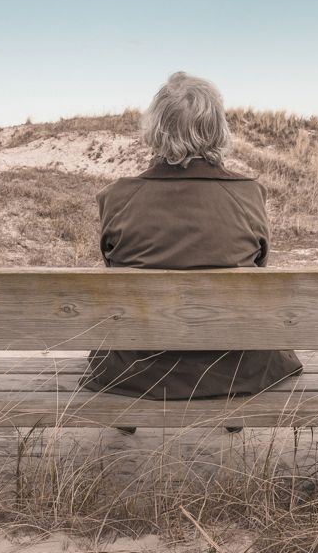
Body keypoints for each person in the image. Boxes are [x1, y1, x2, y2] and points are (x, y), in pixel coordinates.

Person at [80, 72, 303, 423]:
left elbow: (112, 265)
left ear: (156, 129)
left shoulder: (118, 198)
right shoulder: (249, 195)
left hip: (138, 372)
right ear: (217, 129)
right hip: (236, 370)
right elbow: (258, 266)